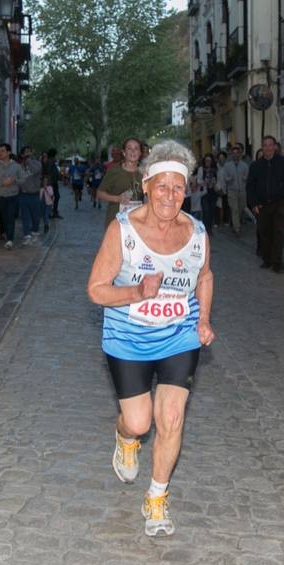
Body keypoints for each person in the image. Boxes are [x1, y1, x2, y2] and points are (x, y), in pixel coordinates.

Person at [87, 140, 215, 537]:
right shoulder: (122, 230)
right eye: (162, 186)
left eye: (178, 188)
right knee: (140, 423)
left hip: (179, 334)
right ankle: (125, 436)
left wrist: (204, 320)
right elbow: (96, 289)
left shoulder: (196, 232)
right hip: (128, 338)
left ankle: (157, 497)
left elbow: (205, 276)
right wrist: (136, 293)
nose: (170, 196)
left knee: (172, 418)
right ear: (146, 185)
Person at [247, 136, 284, 273]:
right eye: (265, 145)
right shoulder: (255, 166)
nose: (268, 148)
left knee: (278, 232)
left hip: (280, 203)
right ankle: (267, 259)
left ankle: (277, 262)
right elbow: (250, 187)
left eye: (270, 145)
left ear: (275, 147)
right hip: (262, 205)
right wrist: (253, 204)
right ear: (262, 147)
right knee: (264, 232)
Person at [95, 137, 144, 227]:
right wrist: (117, 198)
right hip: (116, 221)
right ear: (124, 152)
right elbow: (99, 193)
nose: (133, 151)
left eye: (136, 148)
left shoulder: (145, 172)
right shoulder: (114, 171)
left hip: (137, 222)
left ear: (140, 153)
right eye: (129, 148)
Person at [0, 142, 23, 249]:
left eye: (3, 151)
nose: (0, 153)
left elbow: (23, 180)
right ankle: (8, 236)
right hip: (1, 196)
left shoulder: (17, 166)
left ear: (8, 152)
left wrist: (13, 180)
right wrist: (3, 183)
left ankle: (10, 240)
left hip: (13, 196)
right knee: (4, 218)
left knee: (11, 217)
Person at [218, 143, 249, 235]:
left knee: (240, 208)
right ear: (232, 155)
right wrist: (229, 179)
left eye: (237, 153)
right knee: (234, 209)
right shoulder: (227, 166)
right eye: (234, 153)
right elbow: (225, 178)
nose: (235, 155)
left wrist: (245, 178)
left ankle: (235, 222)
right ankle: (237, 228)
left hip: (242, 191)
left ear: (240, 154)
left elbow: (248, 177)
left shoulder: (245, 165)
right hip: (231, 191)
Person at [17, 146, 44, 244]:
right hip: (23, 194)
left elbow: (36, 170)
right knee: (25, 216)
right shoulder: (19, 166)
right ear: (22, 154)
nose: (27, 154)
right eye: (25, 152)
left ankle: (35, 231)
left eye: (29, 152)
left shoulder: (37, 163)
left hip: (34, 194)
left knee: (35, 217)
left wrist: (28, 161)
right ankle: (27, 235)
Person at [194, 154, 218, 235]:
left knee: (211, 211)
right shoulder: (201, 169)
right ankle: (205, 229)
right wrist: (205, 182)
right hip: (204, 193)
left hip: (213, 192)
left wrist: (215, 182)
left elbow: (218, 179)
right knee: (206, 211)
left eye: (210, 161)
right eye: (207, 160)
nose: (208, 162)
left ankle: (209, 228)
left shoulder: (214, 169)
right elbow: (198, 181)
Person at [46, 148, 64, 220]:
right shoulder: (51, 161)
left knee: (55, 196)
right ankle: (52, 212)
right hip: (52, 182)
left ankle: (53, 211)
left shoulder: (51, 161)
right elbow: (50, 172)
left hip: (53, 182)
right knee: (55, 196)